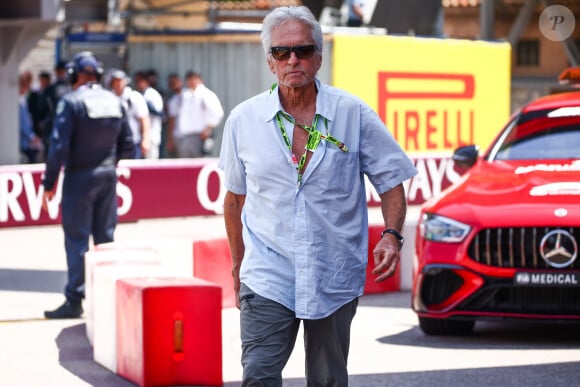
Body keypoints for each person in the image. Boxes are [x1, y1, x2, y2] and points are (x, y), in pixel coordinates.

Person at [218, 5, 418, 385]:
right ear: (270, 63)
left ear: (319, 58)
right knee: (258, 374)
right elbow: (234, 200)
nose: (293, 59)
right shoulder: (243, 120)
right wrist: (238, 265)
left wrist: (392, 236)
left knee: (328, 379)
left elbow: (392, 181)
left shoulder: (353, 114)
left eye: (303, 50)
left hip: (333, 272)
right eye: (282, 52)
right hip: (267, 273)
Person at [42, 51, 135, 319]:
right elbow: (128, 144)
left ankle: (74, 299)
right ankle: (108, 299)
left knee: (77, 238)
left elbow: (58, 147)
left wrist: (49, 182)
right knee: (105, 238)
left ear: (74, 75)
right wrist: (106, 164)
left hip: (79, 178)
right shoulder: (115, 101)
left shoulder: (70, 102)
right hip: (107, 175)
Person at [167, 71, 224, 158]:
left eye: (193, 79)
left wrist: (208, 129)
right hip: (185, 136)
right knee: (186, 165)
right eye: (189, 80)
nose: (191, 82)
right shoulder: (186, 95)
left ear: (199, 80)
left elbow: (217, 112)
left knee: (199, 164)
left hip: (199, 135)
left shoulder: (205, 94)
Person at [109, 69, 151, 158]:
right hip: (114, 143)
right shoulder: (109, 98)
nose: (118, 84)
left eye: (120, 81)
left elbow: (144, 119)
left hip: (133, 141)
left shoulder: (134, 97)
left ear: (125, 82)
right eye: (115, 81)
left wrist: (146, 140)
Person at [43, 60, 71, 157]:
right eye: (60, 71)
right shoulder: (50, 89)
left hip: (70, 126)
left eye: (63, 71)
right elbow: (43, 109)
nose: (62, 73)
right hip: (54, 125)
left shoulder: (72, 88)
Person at [134, 70, 163, 159]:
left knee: (151, 165)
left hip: (152, 135)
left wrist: (144, 103)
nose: (137, 84)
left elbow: (160, 114)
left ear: (145, 81)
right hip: (141, 137)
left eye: (139, 81)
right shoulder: (141, 94)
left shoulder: (151, 94)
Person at [18, 72, 43, 163]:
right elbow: (22, 123)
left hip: (28, 141)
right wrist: (32, 137)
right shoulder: (17, 101)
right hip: (23, 143)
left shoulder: (23, 99)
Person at [165, 72, 183, 158]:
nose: (173, 85)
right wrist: (170, 140)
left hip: (190, 135)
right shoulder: (173, 101)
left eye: (175, 82)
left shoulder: (189, 95)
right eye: (171, 83)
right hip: (178, 136)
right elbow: (171, 122)